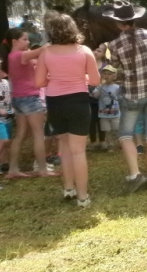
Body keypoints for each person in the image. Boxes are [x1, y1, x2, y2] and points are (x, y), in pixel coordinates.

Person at [105, 0, 147, 192]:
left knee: (125, 135)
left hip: (132, 96)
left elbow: (117, 73)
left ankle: (135, 175)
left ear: (118, 24)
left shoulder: (115, 45)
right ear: (135, 19)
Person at [35, 14, 100, 207]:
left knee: (64, 147)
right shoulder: (84, 51)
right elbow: (95, 81)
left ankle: (68, 188)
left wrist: (54, 79)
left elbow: (38, 82)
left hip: (55, 101)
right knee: (78, 151)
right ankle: (82, 197)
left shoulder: (45, 52)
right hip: (78, 101)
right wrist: (80, 79)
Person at [2, 27, 52, 178]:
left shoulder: (11, 56)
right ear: (14, 42)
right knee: (38, 134)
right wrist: (55, 39)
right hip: (29, 98)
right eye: (25, 39)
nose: (28, 42)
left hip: (17, 98)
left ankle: (13, 169)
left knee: (20, 135)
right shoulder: (20, 55)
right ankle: (42, 169)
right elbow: (43, 49)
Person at [92, 66, 121, 151]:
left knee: (117, 129)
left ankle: (121, 142)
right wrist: (100, 86)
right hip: (104, 114)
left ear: (114, 76)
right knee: (107, 130)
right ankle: (110, 144)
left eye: (109, 74)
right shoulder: (100, 87)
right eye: (105, 74)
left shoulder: (117, 87)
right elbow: (95, 96)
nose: (107, 76)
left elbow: (120, 98)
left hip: (115, 113)